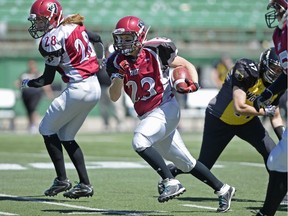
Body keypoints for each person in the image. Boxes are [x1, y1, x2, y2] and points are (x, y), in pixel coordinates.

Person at [106, 15, 235, 212]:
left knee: (139, 140)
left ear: (140, 37)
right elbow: (114, 97)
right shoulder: (116, 61)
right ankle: (223, 189)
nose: (122, 43)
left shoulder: (156, 51)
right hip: (148, 115)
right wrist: (119, 76)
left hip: (165, 106)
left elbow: (186, 65)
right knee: (186, 162)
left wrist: (194, 83)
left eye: (127, 38)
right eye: (120, 38)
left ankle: (169, 180)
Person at [163, 47, 285, 207]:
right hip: (220, 119)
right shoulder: (247, 70)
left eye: (279, 70)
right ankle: (172, 171)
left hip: (247, 122)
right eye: (273, 68)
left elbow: (275, 116)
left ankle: (282, 192)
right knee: (205, 164)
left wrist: (284, 142)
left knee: (273, 152)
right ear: (264, 63)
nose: (276, 73)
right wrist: (264, 111)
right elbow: (239, 107)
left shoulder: (280, 82)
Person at [21, 0, 102, 199]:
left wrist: (27, 84)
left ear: (52, 17)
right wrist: (100, 60)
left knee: (46, 129)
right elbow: (98, 38)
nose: (38, 25)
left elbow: (47, 79)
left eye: (41, 20)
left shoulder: (52, 38)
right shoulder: (73, 26)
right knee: (66, 135)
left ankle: (62, 179)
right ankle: (84, 184)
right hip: (94, 87)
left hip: (77, 89)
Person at [253, 0, 288, 215]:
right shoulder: (279, 35)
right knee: (277, 160)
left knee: (278, 160)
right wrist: (269, 92)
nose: (275, 13)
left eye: (279, 8)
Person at [15, 59, 54, 134]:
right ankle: (30, 125)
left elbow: (44, 84)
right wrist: (19, 84)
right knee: (29, 110)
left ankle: (34, 125)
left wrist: (49, 93)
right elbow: (19, 83)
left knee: (33, 109)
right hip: (26, 94)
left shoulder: (38, 74)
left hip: (35, 94)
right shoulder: (25, 74)